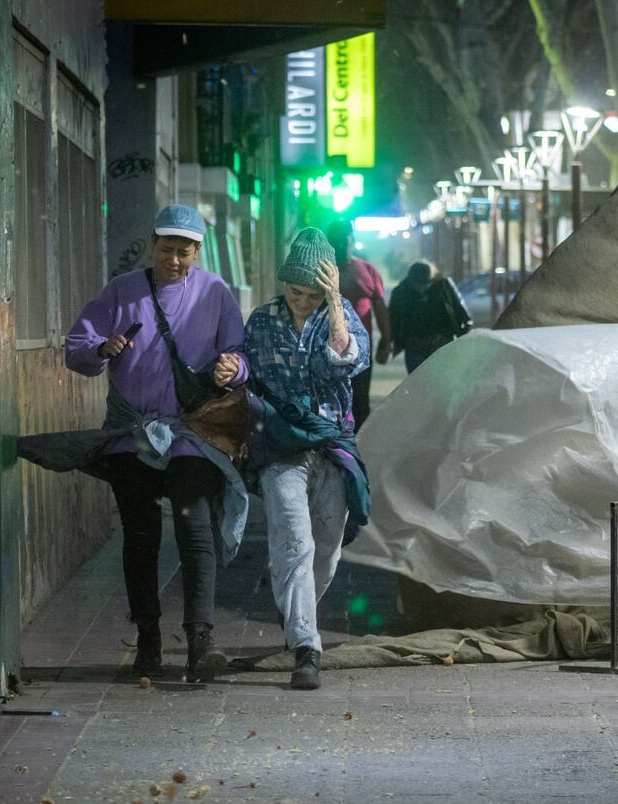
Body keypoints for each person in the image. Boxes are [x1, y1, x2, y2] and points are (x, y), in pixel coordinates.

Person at [63, 203, 247, 682]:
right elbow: (77, 349)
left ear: (198, 252)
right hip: (132, 435)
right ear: (153, 245)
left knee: (196, 528)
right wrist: (101, 349)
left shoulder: (216, 293)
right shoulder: (122, 292)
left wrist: (234, 368)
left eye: (184, 252)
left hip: (191, 433)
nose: (174, 260)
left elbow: (240, 354)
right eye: (167, 249)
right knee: (141, 536)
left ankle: (200, 640)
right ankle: (148, 638)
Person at [243, 228, 371, 690]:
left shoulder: (341, 317)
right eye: (297, 291)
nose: (303, 301)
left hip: (332, 446)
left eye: (314, 294)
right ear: (283, 284)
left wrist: (336, 301)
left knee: (327, 551)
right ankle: (306, 647)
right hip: (280, 448)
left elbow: (346, 362)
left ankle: (297, 616)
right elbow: (245, 371)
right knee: (294, 542)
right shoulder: (260, 322)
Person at [325, 219, 390, 430]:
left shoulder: (367, 271)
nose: (341, 246)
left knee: (360, 400)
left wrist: (386, 342)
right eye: (335, 241)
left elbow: (380, 308)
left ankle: (359, 444)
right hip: (324, 349)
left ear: (352, 240)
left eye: (345, 240)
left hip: (360, 350)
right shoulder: (319, 271)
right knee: (328, 401)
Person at [388, 260, 473, 373]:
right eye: (418, 285)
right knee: (418, 380)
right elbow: (393, 319)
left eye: (426, 284)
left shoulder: (443, 285)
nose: (422, 289)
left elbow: (462, 313)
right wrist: (389, 341)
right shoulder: (401, 291)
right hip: (415, 342)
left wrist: (462, 337)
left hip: (441, 340)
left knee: (441, 379)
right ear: (411, 281)